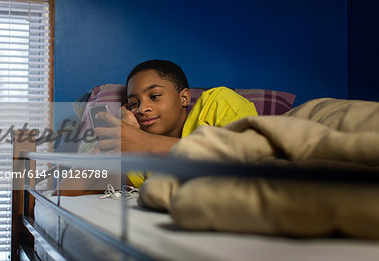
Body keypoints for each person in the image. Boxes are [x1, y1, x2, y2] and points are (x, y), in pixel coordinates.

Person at [94, 60, 258, 187]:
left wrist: (144, 142)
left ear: (184, 97)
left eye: (155, 95)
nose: (142, 109)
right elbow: (74, 187)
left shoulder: (216, 101)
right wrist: (114, 143)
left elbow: (247, 160)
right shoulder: (142, 155)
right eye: (134, 104)